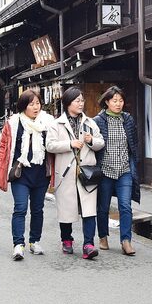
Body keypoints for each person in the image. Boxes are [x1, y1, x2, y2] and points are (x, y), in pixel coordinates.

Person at [0, 89, 54, 260]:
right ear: (23, 106)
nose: (35, 107)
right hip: (20, 173)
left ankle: (34, 241)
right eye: (31, 104)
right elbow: (4, 147)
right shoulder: (13, 123)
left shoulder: (48, 122)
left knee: (37, 209)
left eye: (37, 103)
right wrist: (1, 164)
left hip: (41, 173)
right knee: (20, 208)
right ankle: (18, 244)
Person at [46, 87, 104, 260]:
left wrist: (91, 140)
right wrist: (69, 144)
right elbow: (50, 145)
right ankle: (67, 240)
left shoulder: (90, 122)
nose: (81, 103)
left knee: (89, 209)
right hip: (65, 172)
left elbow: (101, 142)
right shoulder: (56, 124)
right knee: (66, 209)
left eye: (82, 100)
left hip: (87, 173)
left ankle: (88, 244)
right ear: (67, 103)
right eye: (77, 100)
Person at [93, 86, 140, 256]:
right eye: (114, 101)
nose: (118, 104)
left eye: (121, 100)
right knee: (103, 206)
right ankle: (103, 236)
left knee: (125, 206)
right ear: (107, 101)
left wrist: (135, 162)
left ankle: (126, 240)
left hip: (124, 170)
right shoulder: (98, 121)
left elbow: (134, 144)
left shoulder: (128, 119)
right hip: (105, 170)